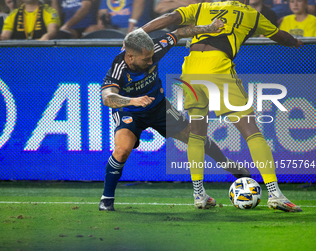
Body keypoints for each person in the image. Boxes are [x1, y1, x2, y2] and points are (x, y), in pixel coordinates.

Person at [141, 0, 304, 212]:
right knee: (252, 132)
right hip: (217, 68)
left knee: (197, 134)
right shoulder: (252, 14)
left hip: (190, 70)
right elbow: (279, 35)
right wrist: (294, 42)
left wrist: (138, 33)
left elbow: (169, 17)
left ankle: (199, 195)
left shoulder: (202, 7)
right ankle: (275, 194)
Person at [99, 19, 251, 211]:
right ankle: (106, 199)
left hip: (158, 107)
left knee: (197, 138)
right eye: (146, 59)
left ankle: (229, 166)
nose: (151, 61)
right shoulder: (118, 68)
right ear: (130, 57)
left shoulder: (154, 49)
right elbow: (107, 98)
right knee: (122, 150)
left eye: (152, 57)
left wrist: (208, 28)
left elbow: (179, 32)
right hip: (129, 111)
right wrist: (131, 101)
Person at [84, 0, 152, 35]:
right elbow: (102, 11)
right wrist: (102, 19)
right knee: (90, 30)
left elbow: (140, 0)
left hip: (135, 26)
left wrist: (131, 26)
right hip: (112, 28)